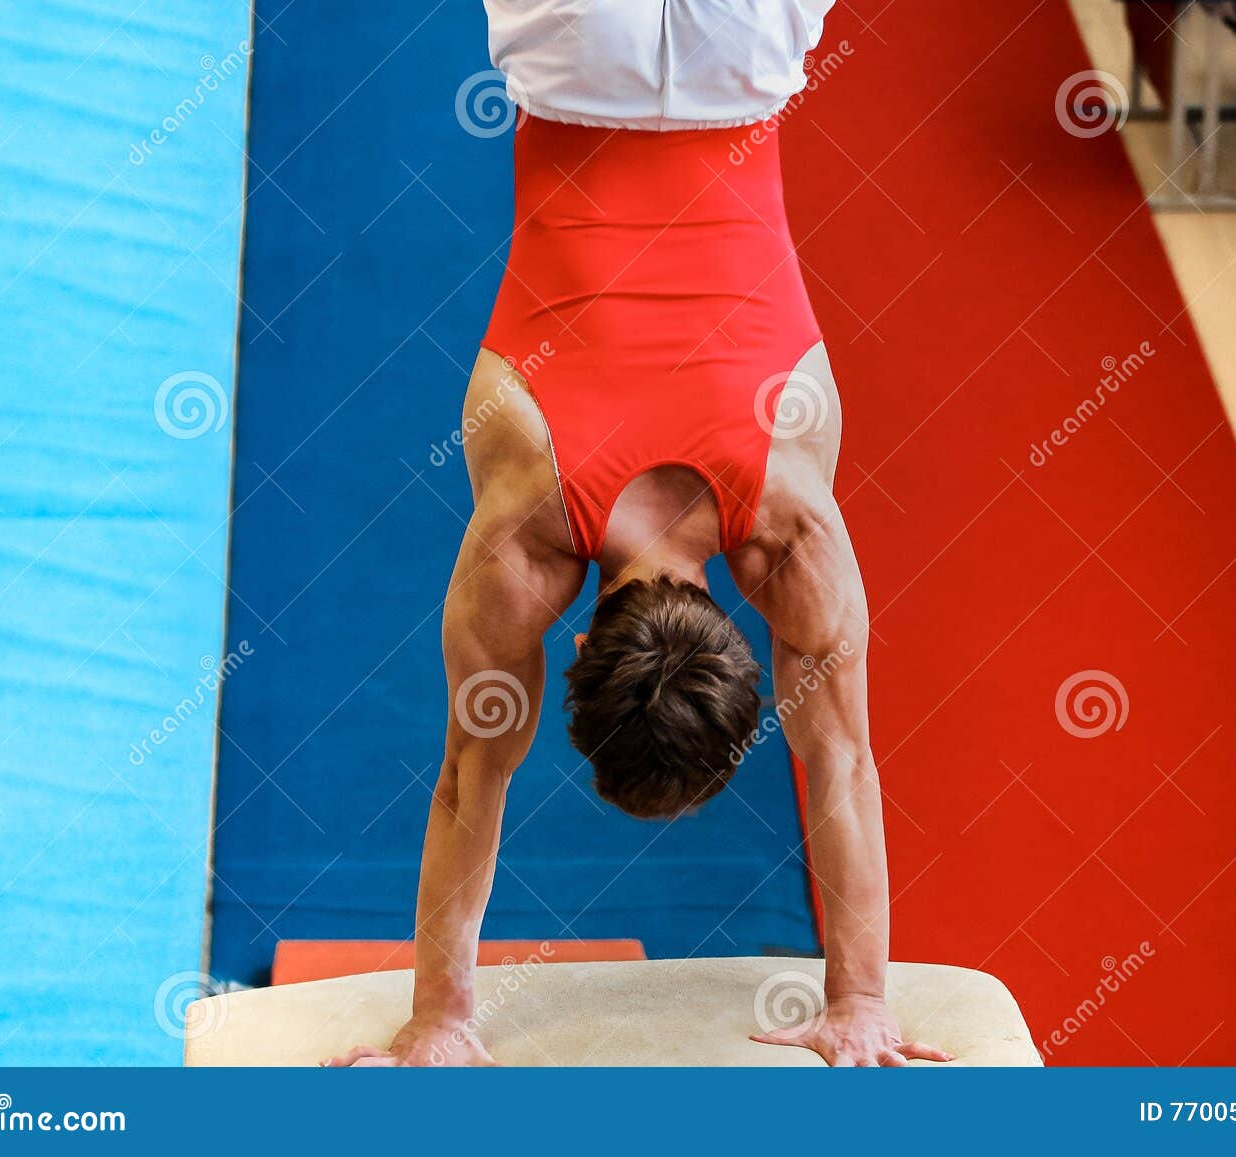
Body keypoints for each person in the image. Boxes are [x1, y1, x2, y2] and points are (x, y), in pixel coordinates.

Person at [324, 0, 953, 1068]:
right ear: (577, 648)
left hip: (742, 63)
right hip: (575, 60)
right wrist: (440, 1017)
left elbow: (838, 758)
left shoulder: (790, 530)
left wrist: (860, 1002)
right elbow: (468, 779)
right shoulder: (521, 538)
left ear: (740, 640)